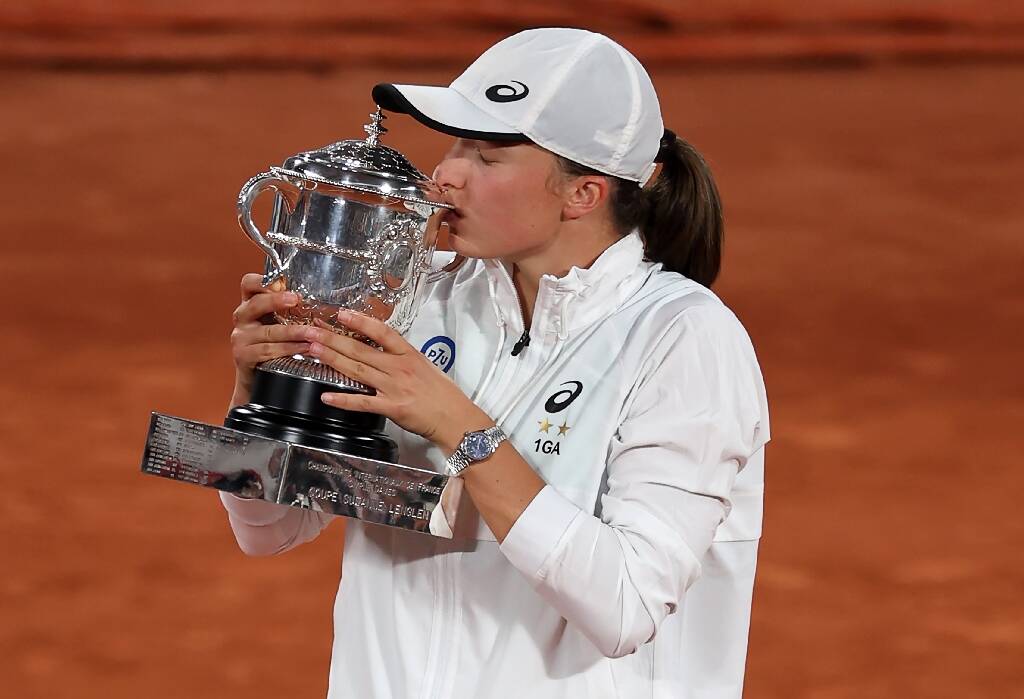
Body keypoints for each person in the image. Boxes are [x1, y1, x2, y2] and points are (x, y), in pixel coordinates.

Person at [222, 27, 769, 699]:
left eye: (485, 155)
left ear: (583, 194)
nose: (445, 173)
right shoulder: (421, 296)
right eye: (454, 144)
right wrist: (266, 399)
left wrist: (463, 428)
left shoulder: (682, 339)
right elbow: (273, 528)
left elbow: (627, 603)